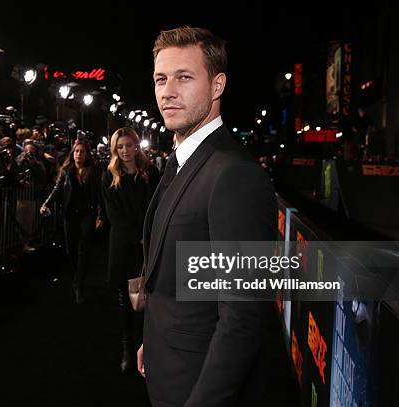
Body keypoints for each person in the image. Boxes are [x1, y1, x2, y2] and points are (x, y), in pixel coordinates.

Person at [138, 27, 276, 406]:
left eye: (184, 77)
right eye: (160, 79)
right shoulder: (182, 163)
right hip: (168, 365)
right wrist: (153, 341)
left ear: (217, 86)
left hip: (196, 387)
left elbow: (243, 316)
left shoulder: (234, 175)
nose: (167, 91)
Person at [101, 127, 159, 373]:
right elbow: (114, 214)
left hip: (149, 242)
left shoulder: (151, 172)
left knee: (152, 296)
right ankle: (127, 347)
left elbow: (158, 205)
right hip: (124, 244)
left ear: (137, 145)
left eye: (128, 145)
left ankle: (150, 347)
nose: (125, 151)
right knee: (126, 298)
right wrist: (138, 236)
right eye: (120, 147)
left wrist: (148, 236)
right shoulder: (109, 176)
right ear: (115, 149)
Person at [40, 140, 103, 304]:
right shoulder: (67, 170)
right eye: (76, 151)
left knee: (83, 249)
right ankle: (78, 275)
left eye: (82, 151)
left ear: (87, 154)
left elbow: (99, 194)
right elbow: (57, 189)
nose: (79, 154)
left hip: (87, 213)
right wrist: (46, 204)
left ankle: (79, 285)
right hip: (70, 214)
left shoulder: (93, 171)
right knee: (71, 250)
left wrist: (100, 214)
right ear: (72, 153)